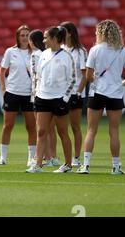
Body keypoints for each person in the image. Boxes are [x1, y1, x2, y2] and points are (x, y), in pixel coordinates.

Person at [77, 20, 125, 175]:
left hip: (97, 93)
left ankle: (86, 165)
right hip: (115, 95)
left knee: (91, 130)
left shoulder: (95, 50)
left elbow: (89, 76)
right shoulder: (123, 51)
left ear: (101, 33)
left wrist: (96, 78)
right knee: (114, 131)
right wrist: (120, 84)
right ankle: (116, 167)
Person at [26, 26, 75, 173]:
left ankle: (68, 165)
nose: (43, 40)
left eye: (46, 37)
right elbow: (38, 75)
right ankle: (38, 164)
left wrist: (65, 98)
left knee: (62, 132)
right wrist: (38, 93)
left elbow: (72, 80)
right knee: (41, 131)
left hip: (59, 99)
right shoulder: (43, 54)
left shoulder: (67, 56)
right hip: (43, 97)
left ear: (54, 39)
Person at [0, 25, 37, 167]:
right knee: (8, 125)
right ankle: (3, 157)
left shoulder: (36, 53)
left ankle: (31, 158)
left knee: (31, 126)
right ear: (18, 37)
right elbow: (2, 71)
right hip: (12, 92)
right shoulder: (10, 52)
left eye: (27, 35)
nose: (25, 38)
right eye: (22, 35)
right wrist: (3, 89)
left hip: (29, 94)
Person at [29, 30, 59, 167]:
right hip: (50, 93)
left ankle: (44, 157)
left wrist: (35, 94)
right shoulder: (46, 54)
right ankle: (53, 157)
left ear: (31, 41)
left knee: (41, 128)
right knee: (50, 129)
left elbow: (36, 75)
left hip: (39, 94)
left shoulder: (36, 55)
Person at [61, 21, 88, 167]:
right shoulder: (61, 49)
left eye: (62, 31)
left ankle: (76, 157)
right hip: (62, 93)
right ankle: (62, 157)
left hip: (75, 93)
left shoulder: (81, 51)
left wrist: (79, 92)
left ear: (69, 32)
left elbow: (85, 74)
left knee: (75, 126)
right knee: (61, 127)